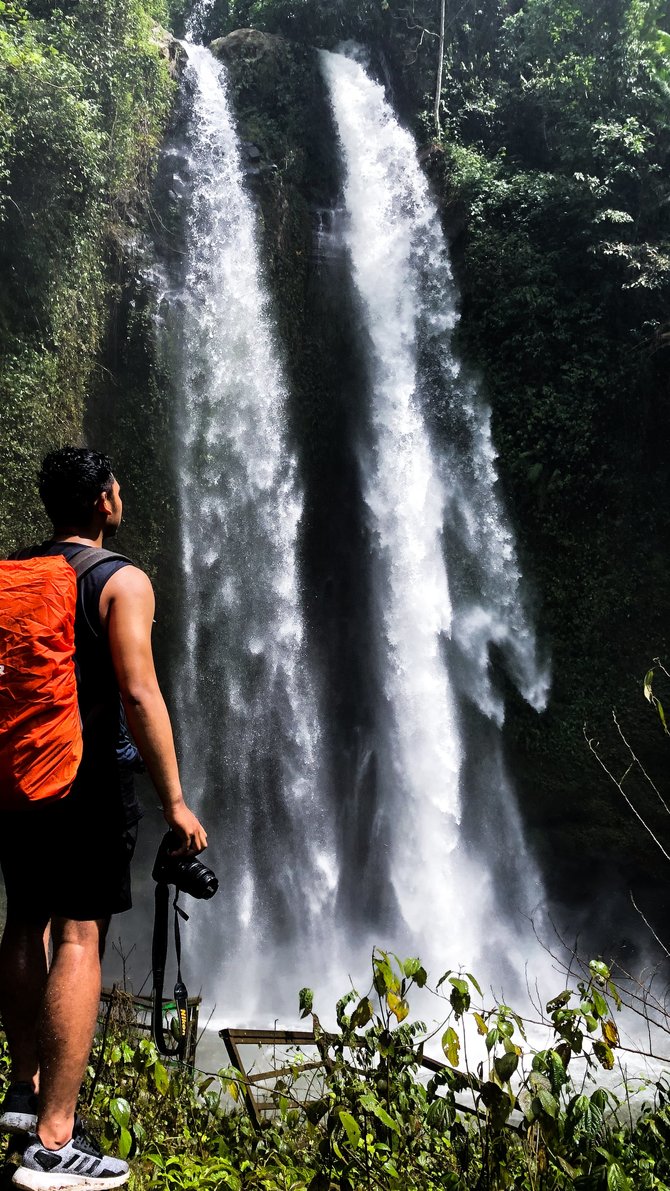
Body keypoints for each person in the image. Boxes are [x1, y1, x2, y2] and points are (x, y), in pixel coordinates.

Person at [0, 447, 207, 1189]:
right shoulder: (121, 580)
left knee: (26, 920)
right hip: (87, 784)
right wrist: (175, 801)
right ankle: (55, 1144)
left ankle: (23, 1093)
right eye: (117, 489)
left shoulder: (13, 573)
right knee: (81, 934)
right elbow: (140, 693)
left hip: (21, 778)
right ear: (105, 502)